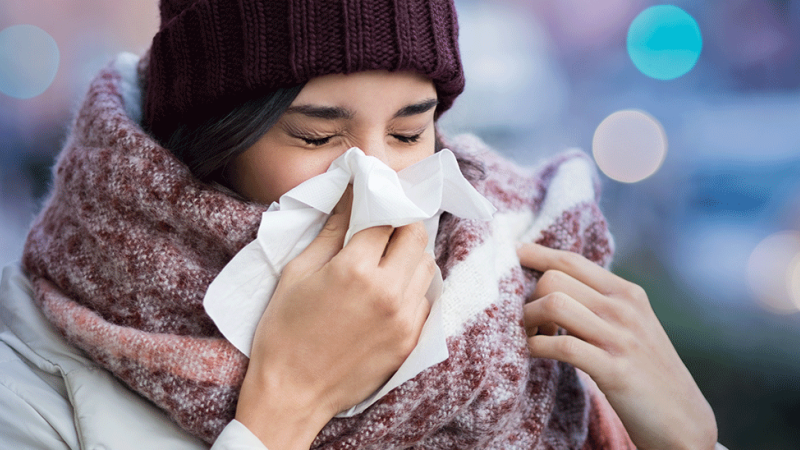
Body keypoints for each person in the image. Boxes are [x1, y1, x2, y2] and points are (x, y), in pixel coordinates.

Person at [0, 0, 725, 449]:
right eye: (317, 138)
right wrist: (286, 407)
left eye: (409, 134)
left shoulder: (526, 295)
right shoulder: (33, 372)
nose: (379, 180)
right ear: (209, 141)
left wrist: (690, 444)